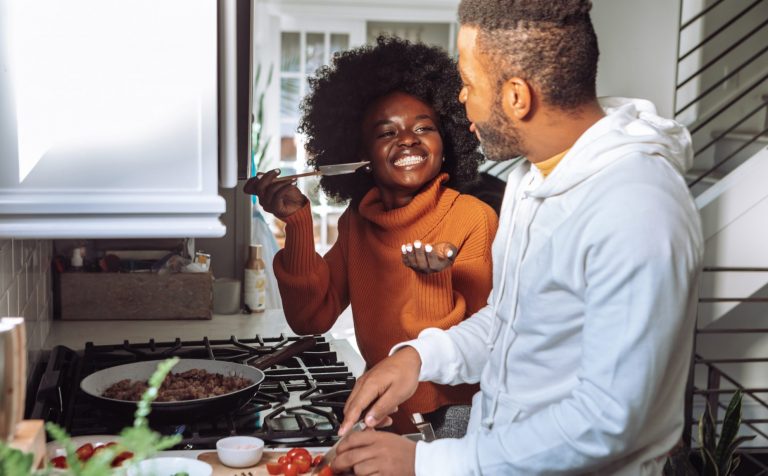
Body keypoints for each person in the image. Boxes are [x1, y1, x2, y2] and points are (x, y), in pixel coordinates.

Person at [333, 1, 705, 475]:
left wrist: (430, 463)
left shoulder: (637, 208)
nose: (461, 99)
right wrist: (418, 357)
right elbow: (514, 323)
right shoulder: (533, 181)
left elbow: (609, 421)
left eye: (468, 83)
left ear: (516, 97)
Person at [244, 36, 498, 435]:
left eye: (424, 127)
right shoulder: (357, 223)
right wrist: (297, 224)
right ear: (360, 155)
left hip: (452, 427)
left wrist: (431, 281)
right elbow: (310, 318)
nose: (408, 138)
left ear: (446, 143)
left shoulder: (473, 219)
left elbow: (483, 349)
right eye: (386, 132)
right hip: (382, 418)